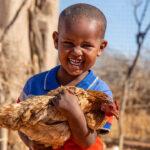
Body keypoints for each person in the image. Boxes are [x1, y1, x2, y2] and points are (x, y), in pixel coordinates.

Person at [18, 3, 113, 150]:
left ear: (101, 48)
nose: (76, 51)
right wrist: (31, 142)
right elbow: (18, 121)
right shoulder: (35, 84)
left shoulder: (100, 93)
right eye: (68, 43)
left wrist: (74, 113)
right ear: (56, 41)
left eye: (86, 45)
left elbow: (88, 143)